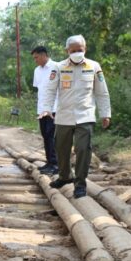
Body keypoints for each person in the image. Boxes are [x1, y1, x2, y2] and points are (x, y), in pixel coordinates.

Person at [39, 35, 111, 198]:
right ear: (67, 51)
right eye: (74, 51)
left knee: (82, 149)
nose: (77, 53)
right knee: (61, 149)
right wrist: (46, 108)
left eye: (80, 50)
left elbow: (101, 92)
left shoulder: (94, 66)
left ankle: (80, 183)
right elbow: (50, 90)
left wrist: (105, 114)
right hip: (64, 116)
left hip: (85, 116)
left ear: (85, 49)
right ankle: (65, 177)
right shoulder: (58, 67)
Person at [31, 46, 59, 175]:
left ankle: (55, 163)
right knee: (45, 135)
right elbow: (39, 89)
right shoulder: (37, 70)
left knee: (52, 135)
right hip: (42, 108)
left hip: (54, 108)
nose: (35, 60)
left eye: (36, 57)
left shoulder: (56, 67)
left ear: (43, 55)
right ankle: (49, 161)